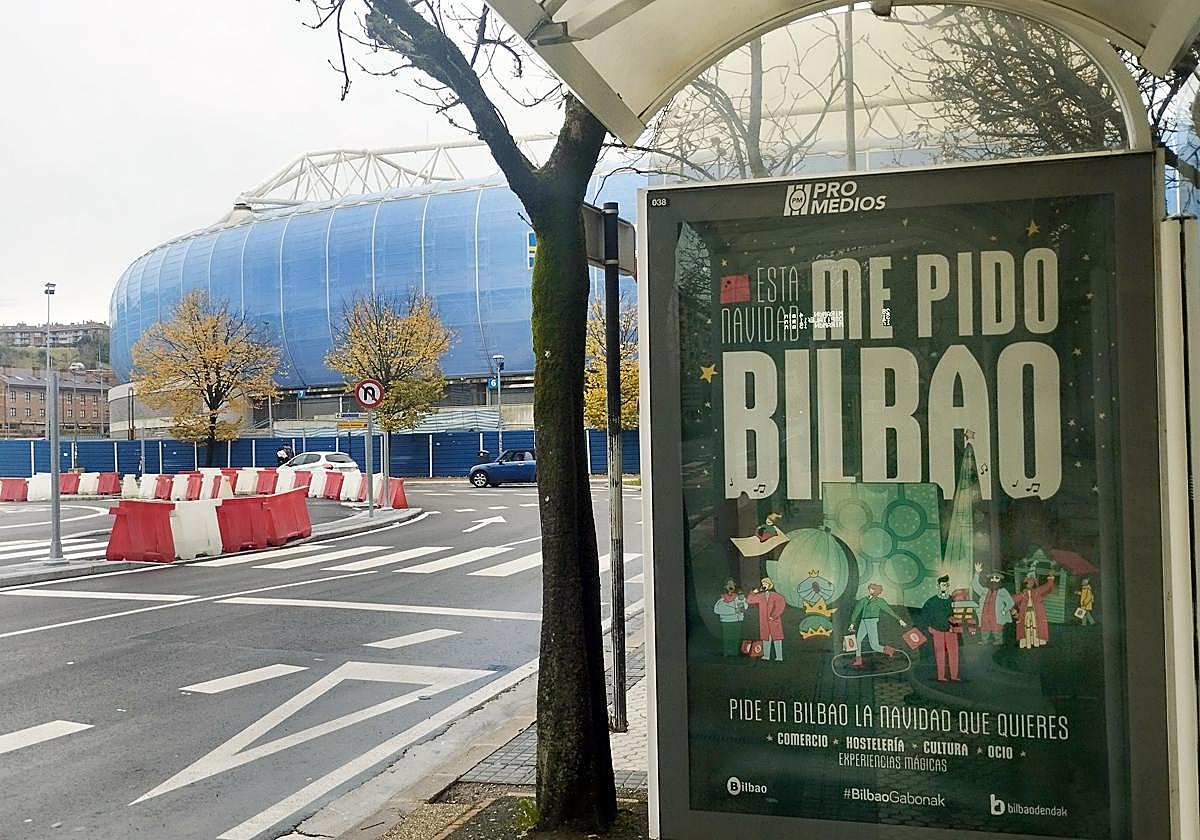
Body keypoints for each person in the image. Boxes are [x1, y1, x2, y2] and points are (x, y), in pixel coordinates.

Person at [847, 583, 907, 667]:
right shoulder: (864, 600)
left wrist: (899, 619)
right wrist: (852, 623)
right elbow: (856, 611)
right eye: (870, 588)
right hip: (863, 621)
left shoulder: (879, 601)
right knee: (857, 641)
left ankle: (890, 651)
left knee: (874, 646)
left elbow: (889, 610)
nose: (870, 590)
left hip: (872, 622)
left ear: (877, 591)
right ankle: (858, 660)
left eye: (873, 589)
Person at [923, 575, 960, 682]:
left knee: (953, 654)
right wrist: (929, 627)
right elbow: (926, 615)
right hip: (937, 631)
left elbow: (959, 615)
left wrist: (956, 624)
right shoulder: (931, 601)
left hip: (951, 631)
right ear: (938, 586)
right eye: (943, 585)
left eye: (947, 585)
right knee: (940, 654)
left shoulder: (952, 600)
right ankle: (941, 676)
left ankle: (954, 676)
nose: (945, 587)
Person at [971, 562, 1015, 645]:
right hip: (985, 614)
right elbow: (975, 586)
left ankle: (998, 640)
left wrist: (1004, 610)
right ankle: (984, 640)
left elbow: (1010, 602)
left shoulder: (1003, 592)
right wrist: (977, 573)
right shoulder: (985, 590)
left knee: (997, 627)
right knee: (985, 627)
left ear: (1000, 580)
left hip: (997, 615)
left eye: (996, 578)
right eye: (992, 578)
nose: (994, 579)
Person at [746, 577, 787, 662]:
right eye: (763, 584)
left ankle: (779, 657)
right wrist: (754, 592)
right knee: (766, 639)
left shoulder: (776, 596)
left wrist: (774, 615)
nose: (764, 585)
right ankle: (766, 655)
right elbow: (749, 600)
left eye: (766, 583)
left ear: (770, 585)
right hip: (764, 622)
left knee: (777, 640)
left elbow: (781, 604)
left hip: (773, 621)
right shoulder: (761, 596)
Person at [1014, 571, 1055, 649]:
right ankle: (1027, 643)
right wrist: (1014, 611)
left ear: (1035, 582)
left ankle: (1036, 642)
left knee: (1036, 627)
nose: (1030, 582)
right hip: (1025, 614)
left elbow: (1048, 586)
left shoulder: (1038, 591)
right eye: (1029, 580)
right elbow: (1012, 600)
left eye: (1032, 581)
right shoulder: (1022, 593)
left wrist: (1051, 577)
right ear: (1025, 582)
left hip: (1036, 614)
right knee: (1026, 628)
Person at [713, 579, 747, 656]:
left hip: (737, 621)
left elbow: (743, 607)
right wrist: (734, 611)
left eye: (732, 584)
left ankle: (734, 653)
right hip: (726, 622)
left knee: (736, 637)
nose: (731, 586)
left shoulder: (738, 597)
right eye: (729, 584)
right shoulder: (722, 599)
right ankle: (727, 653)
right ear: (725, 586)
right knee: (727, 638)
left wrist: (741, 604)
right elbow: (717, 609)